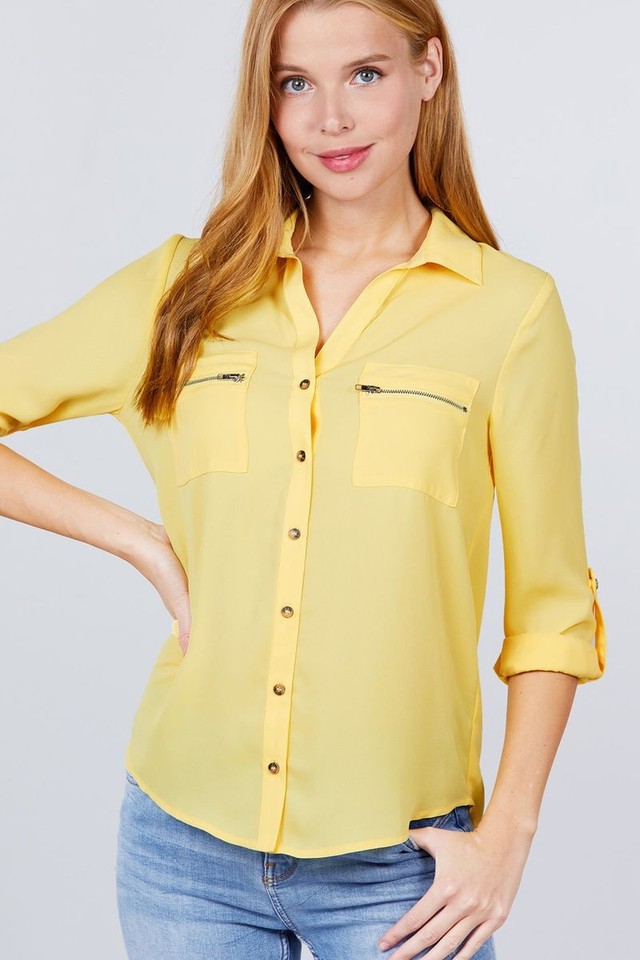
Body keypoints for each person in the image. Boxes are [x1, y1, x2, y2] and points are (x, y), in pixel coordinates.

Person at [0, 1, 607, 958]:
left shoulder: (511, 312)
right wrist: (136, 540)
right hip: (181, 848)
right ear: (267, 101)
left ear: (429, 71)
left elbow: (553, 610)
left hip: (405, 870)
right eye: (295, 84)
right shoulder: (182, 291)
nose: (331, 119)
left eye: (366, 74)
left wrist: (508, 839)